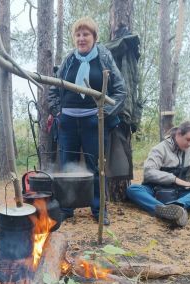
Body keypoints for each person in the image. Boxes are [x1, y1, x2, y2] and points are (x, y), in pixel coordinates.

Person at [48, 17, 126, 225]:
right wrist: (58, 113)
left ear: (94, 37)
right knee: (67, 165)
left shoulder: (104, 58)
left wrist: (105, 113)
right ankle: (66, 207)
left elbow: (120, 90)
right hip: (68, 124)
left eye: (86, 34)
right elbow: (54, 89)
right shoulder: (69, 60)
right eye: (78, 34)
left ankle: (99, 209)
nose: (82, 38)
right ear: (74, 38)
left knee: (96, 166)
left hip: (95, 122)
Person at [126, 121, 190, 227]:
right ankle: (170, 210)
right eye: (188, 139)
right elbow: (149, 172)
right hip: (154, 190)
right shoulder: (159, 149)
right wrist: (174, 179)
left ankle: (177, 206)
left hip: (179, 192)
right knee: (133, 189)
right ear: (178, 134)